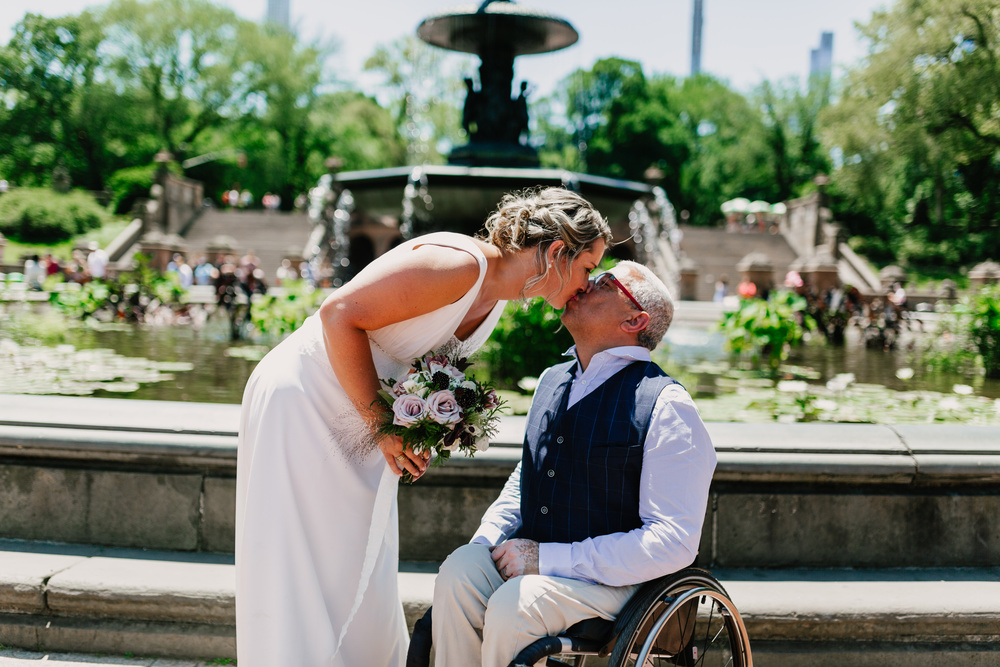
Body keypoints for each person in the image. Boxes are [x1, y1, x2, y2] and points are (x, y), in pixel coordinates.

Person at [235, 187, 613, 666]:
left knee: (355, 563)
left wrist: (426, 425)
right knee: (301, 562)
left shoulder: (497, 297)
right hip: (306, 400)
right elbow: (338, 315)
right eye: (587, 267)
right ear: (558, 252)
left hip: (358, 414)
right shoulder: (459, 264)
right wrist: (383, 424)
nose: (588, 283)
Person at [431, 261, 717, 667]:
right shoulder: (552, 379)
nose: (584, 283)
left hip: (621, 584)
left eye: (605, 282)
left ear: (635, 319)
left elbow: (673, 540)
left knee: (518, 602)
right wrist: (489, 543)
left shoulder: (666, 406)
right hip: (542, 566)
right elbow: (527, 475)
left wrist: (547, 559)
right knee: (461, 569)